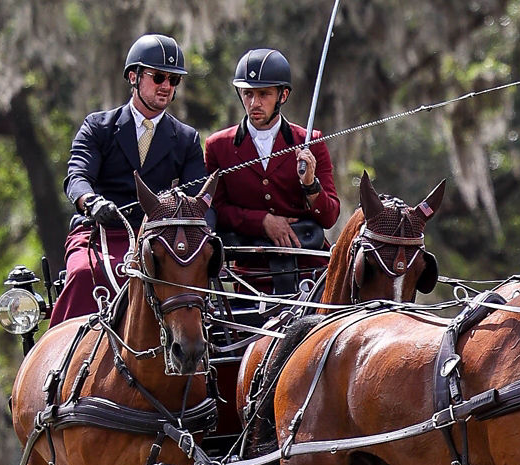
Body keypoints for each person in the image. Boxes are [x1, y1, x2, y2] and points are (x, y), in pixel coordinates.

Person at [49, 33, 208, 326]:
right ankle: (62, 362)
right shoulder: (98, 127)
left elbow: (198, 195)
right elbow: (77, 176)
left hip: (157, 237)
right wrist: (91, 202)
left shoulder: (186, 139)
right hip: (101, 231)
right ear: (133, 76)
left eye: (174, 80)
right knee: (84, 274)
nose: (166, 87)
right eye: (159, 76)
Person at [204, 48, 339, 296]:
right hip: (251, 276)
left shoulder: (310, 140)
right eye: (248, 94)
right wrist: (262, 222)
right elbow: (217, 210)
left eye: (264, 94)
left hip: (310, 271)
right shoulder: (218, 146)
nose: (254, 103)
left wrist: (310, 185)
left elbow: (330, 216)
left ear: (283, 95)